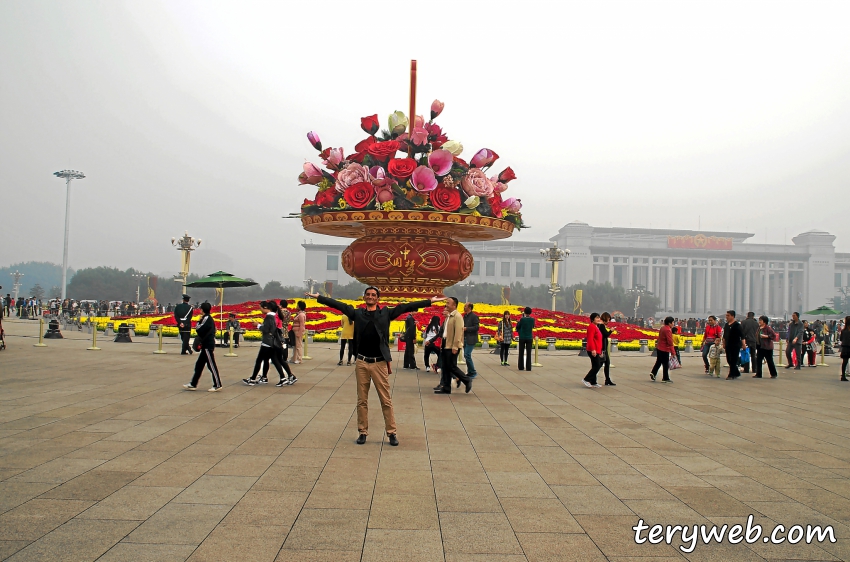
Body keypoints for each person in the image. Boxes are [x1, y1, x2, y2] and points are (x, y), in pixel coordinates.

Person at [308, 287, 446, 446]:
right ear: (364, 297)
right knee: (362, 400)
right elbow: (338, 305)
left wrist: (429, 301)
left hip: (379, 362)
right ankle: (362, 431)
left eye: (373, 295)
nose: (370, 297)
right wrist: (320, 297)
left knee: (385, 399)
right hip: (361, 362)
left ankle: (391, 432)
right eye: (368, 294)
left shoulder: (386, 313)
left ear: (378, 299)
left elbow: (406, 307)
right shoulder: (357, 313)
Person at [243, 301, 289, 387]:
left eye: (260, 308)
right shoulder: (274, 316)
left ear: (265, 307)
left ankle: (253, 379)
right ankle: (281, 378)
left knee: (259, 360)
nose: (260, 310)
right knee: (274, 360)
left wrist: (258, 325)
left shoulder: (269, 317)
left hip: (267, 342)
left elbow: (267, 329)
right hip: (272, 342)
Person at [435, 297, 473, 395]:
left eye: (448, 303)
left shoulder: (457, 316)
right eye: (446, 303)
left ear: (454, 305)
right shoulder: (449, 316)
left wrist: (455, 346)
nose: (446, 305)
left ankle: (466, 380)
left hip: (452, 345)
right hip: (446, 344)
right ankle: (446, 388)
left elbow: (458, 333)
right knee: (446, 367)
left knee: (451, 366)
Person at [183, 302, 222, 392]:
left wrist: (198, 321)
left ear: (203, 310)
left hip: (208, 345)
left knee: (211, 365)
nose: (199, 310)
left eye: (200, 309)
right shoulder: (208, 318)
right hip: (206, 344)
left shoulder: (207, 318)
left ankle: (218, 384)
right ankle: (193, 384)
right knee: (199, 365)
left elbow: (199, 329)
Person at [650, 316, 675, 383]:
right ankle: (665, 378)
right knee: (665, 364)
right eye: (673, 322)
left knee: (658, 362)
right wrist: (673, 352)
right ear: (669, 323)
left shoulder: (663, 328)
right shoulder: (668, 330)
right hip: (664, 349)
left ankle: (653, 373)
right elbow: (670, 342)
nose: (673, 324)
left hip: (659, 348)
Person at [583, 313, 603, 388]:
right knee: (597, 366)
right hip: (592, 350)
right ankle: (586, 379)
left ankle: (593, 382)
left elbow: (598, 340)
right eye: (596, 318)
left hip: (597, 350)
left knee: (595, 365)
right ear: (592, 319)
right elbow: (590, 339)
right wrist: (593, 349)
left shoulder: (596, 327)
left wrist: (599, 351)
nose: (598, 319)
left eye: (599, 318)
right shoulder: (591, 327)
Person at [722, 310, 744, 380]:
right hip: (728, 345)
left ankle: (731, 375)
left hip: (735, 345)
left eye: (728, 315)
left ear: (732, 316)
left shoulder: (737, 325)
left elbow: (742, 336)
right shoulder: (726, 325)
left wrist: (743, 344)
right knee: (729, 360)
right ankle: (737, 372)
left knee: (734, 360)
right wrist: (724, 343)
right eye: (726, 315)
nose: (726, 317)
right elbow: (724, 335)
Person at [462, 303, 479, 379]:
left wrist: (467, 328)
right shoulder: (465, 316)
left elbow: (476, 327)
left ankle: (473, 372)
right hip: (465, 338)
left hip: (471, 338)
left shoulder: (474, 316)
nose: (464, 307)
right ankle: (469, 372)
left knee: (467, 354)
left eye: (465, 306)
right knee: (466, 355)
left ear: (469, 307)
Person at [599, 312, 616, 386]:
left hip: (603, 347)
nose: (609, 321)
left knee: (606, 363)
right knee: (598, 365)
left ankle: (607, 379)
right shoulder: (601, 325)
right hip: (602, 347)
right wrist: (611, 330)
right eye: (608, 319)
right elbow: (605, 335)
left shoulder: (601, 325)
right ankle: (590, 378)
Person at [840, 316, 850, 382]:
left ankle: (843, 375)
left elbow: (841, 339)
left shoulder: (843, 330)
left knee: (844, 362)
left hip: (845, 347)